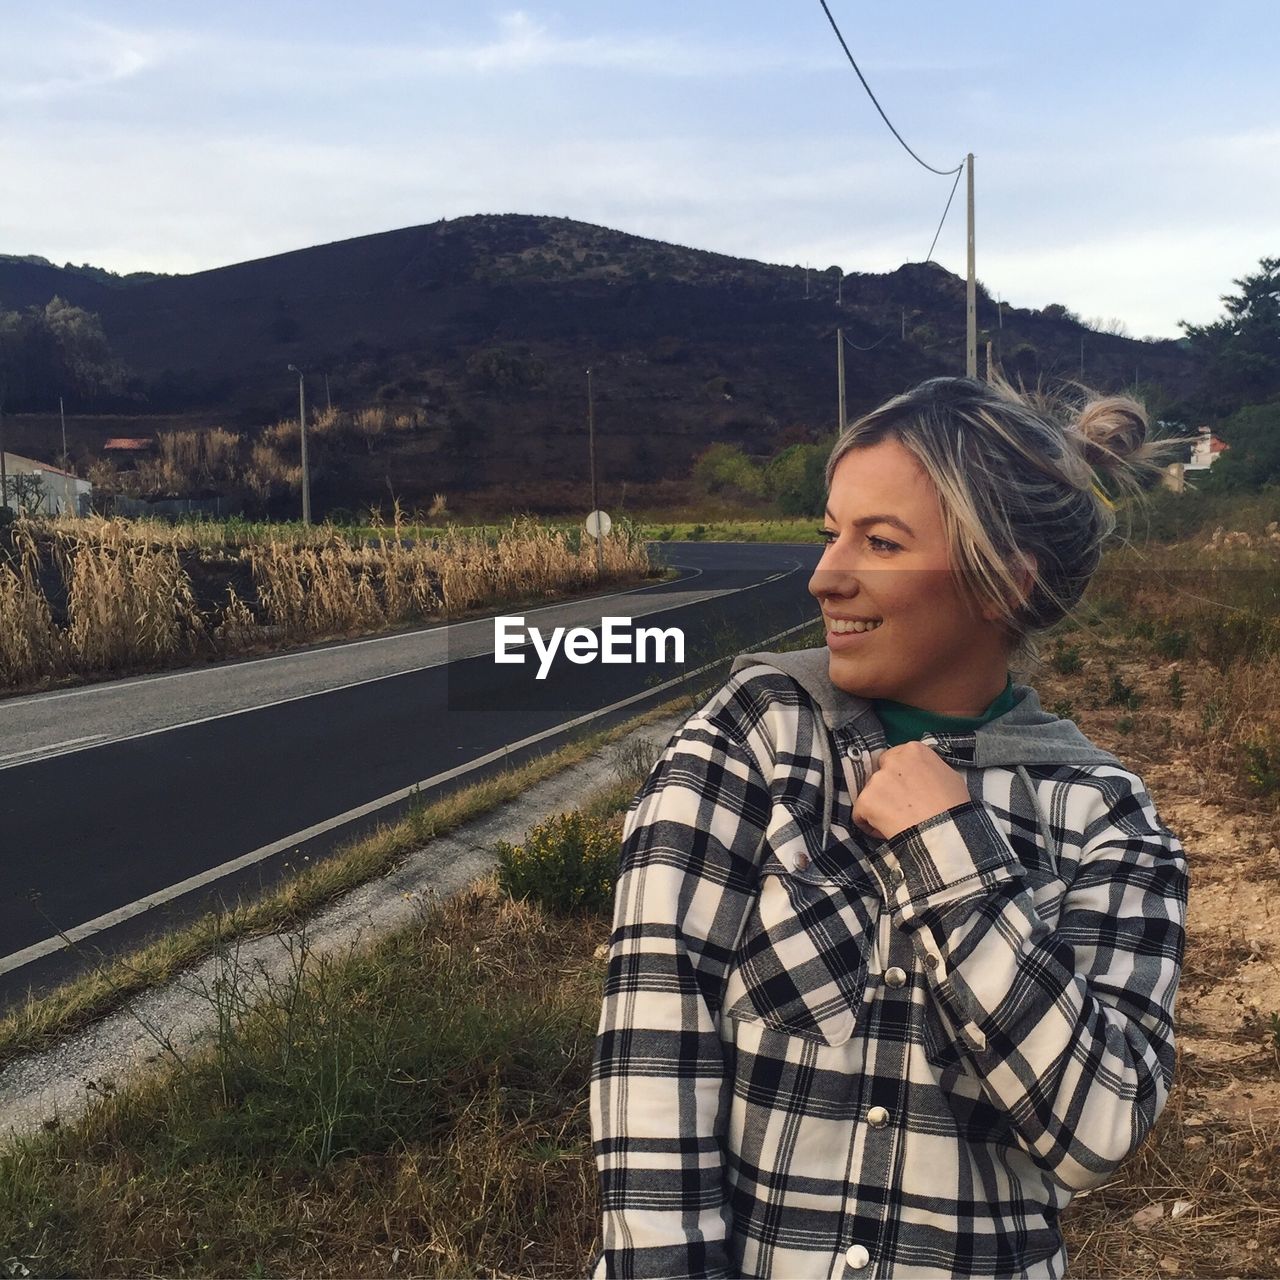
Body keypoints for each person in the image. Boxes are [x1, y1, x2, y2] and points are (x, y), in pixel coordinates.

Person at [589, 375, 1189, 1279]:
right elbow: (652, 1059)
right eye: (832, 533)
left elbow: (1097, 1128)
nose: (826, 576)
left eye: (882, 542)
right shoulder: (753, 740)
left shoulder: (1106, 819)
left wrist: (949, 851)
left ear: (1001, 582)